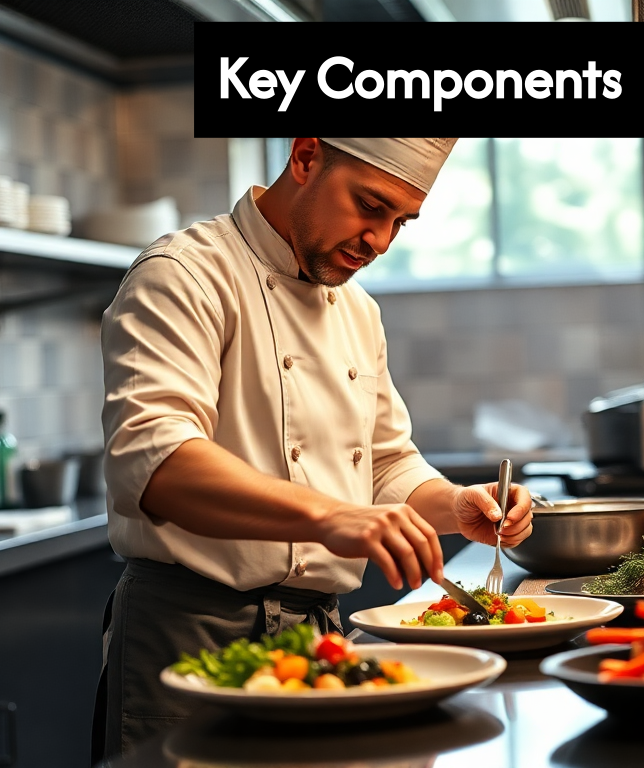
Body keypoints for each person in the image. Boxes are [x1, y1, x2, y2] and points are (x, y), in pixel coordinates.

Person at [93, 137, 535, 757]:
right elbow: (158, 462)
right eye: (368, 206)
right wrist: (331, 516)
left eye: (398, 223)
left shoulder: (358, 310)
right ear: (304, 158)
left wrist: (456, 504)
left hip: (316, 640)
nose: (379, 241)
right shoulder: (183, 275)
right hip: (192, 638)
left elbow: (385, 462)